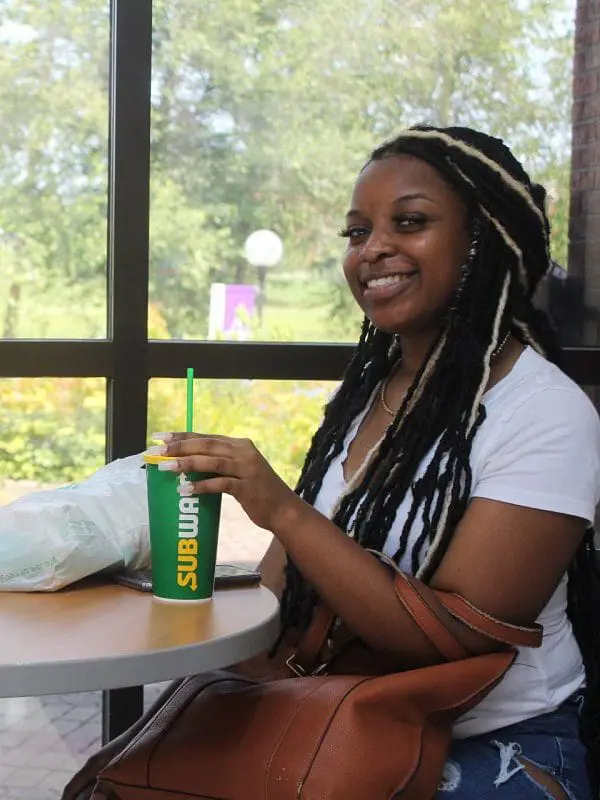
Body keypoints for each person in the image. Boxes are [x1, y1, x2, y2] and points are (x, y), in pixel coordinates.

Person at [64, 126, 600, 800]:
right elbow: (283, 599)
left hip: (489, 740)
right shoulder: (366, 400)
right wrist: (144, 595)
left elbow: (455, 644)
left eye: (410, 222)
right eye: (356, 232)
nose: (372, 249)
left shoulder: (545, 411)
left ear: (484, 241)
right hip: (334, 717)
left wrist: (282, 509)